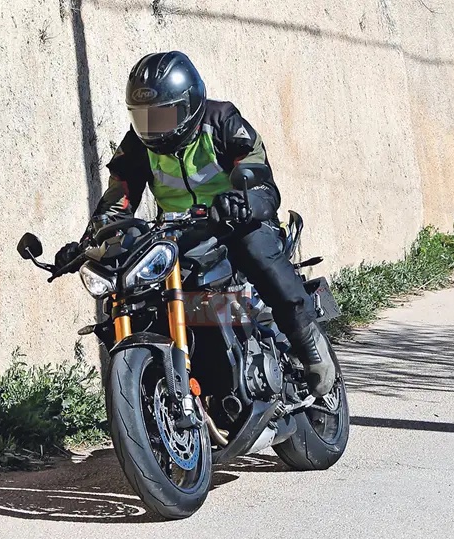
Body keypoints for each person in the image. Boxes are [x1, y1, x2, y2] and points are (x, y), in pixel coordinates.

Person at [54, 51, 335, 397]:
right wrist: (89, 241)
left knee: (256, 250)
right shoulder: (137, 146)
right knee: (132, 276)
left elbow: (260, 178)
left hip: (236, 222)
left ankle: (308, 343)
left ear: (189, 105)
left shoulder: (223, 120)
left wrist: (243, 201)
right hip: (179, 235)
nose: (153, 128)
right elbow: (118, 199)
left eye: (163, 116)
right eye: (144, 119)